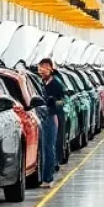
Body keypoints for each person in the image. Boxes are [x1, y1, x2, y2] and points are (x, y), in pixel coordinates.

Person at [37, 57, 66, 187]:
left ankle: (48, 179)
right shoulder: (43, 83)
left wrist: (54, 102)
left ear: (50, 68)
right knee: (45, 148)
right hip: (43, 116)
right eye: (40, 68)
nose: (41, 71)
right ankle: (46, 177)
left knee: (49, 148)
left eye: (44, 68)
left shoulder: (56, 84)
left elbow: (63, 101)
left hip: (51, 117)